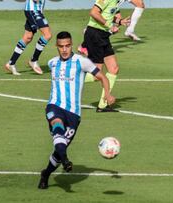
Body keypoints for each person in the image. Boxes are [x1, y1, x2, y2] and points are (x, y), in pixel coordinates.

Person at [38, 31, 115, 189]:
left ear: (71, 45)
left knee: (59, 150)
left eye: (67, 46)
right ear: (56, 47)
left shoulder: (82, 62)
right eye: (61, 46)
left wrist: (107, 94)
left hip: (73, 113)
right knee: (57, 125)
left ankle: (46, 173)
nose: (64, 49)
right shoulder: (52, 62)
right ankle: (66, 160)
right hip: (54, 106)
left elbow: (103, 77)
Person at [82, 0, 129, 112]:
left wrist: (120, 21)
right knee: (96, 74)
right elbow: (94, 12)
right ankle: (68, 78)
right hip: (94, 34)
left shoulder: (116, 2)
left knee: (113, 68)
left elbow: (107, 15)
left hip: (103, 36)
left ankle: (103, 105)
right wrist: (109, 26)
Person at [4, 0, 52, 75]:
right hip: (33, 10)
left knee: (27, 37)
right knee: (47, 35)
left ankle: (11, 63)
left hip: (33, 11)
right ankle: (34, 60)